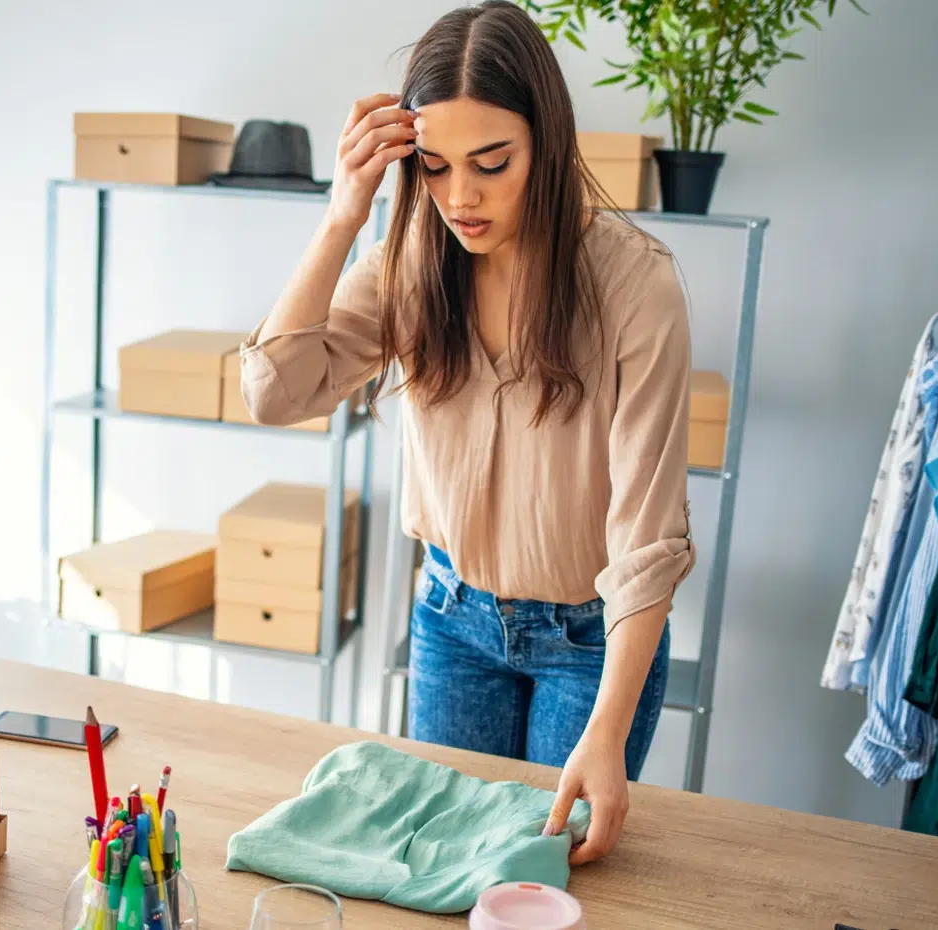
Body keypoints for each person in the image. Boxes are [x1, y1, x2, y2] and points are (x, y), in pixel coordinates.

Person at [239, 0, 694, 864]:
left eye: (492, 163)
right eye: (437, 167)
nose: (461, 197)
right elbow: (276, 392)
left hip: (588, 647)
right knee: (439, 870)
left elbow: (649, 537)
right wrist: (344, 215)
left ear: (547, 145)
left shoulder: (637, 286)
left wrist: (607, 733)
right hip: (452, 623)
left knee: (543, 884)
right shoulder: (412, 258)